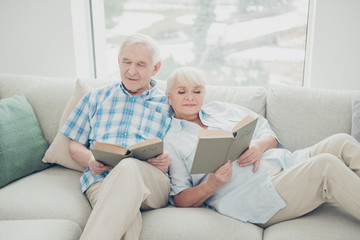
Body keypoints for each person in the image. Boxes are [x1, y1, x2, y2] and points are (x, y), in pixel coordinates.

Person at [163, 66, 360, 227]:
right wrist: (211, 185)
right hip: (261, 195)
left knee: (341, 141)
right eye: (182, 92)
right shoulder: (172, 141)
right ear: (169, 98)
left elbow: (270, 136)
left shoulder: (222, 109)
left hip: (285, 165)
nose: (190, 97)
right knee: (326, 164)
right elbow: (180, 198)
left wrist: (258, 146)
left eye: (196, 91)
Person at [61, 33, 172, 240]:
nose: (131, 71)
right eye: (126, 62)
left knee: (128, 167)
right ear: (118, 61)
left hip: (152, 182)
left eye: (140, 64)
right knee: (126, 222)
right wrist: (90, 160)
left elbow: (185, 148)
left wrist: (167, 161)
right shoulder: (96, 97)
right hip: (101, 179)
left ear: (155, 68)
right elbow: (74, 145)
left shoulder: (169, 104)